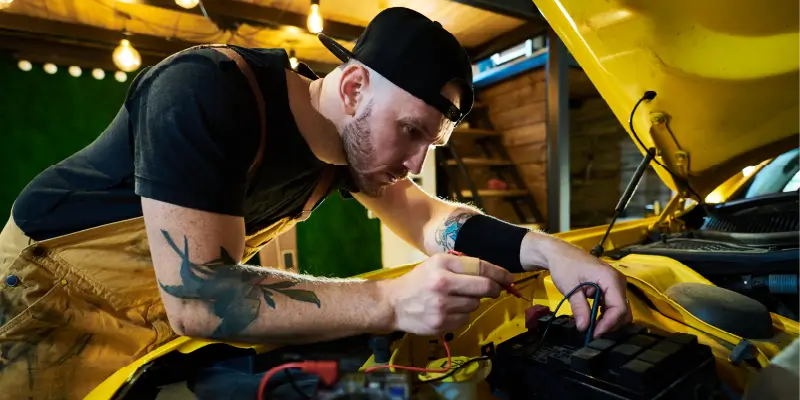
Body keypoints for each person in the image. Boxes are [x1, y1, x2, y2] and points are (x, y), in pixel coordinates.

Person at [0, 7, 630, 399]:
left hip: (148, 315)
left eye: (428, 142)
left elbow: (431, 219)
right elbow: (198, 297)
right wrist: (391, 301)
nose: (413, 162)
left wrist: (551, 252)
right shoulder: (206, 90)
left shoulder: (348, 153)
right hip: (41, 300)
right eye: (410, 131)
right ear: (353, 86)